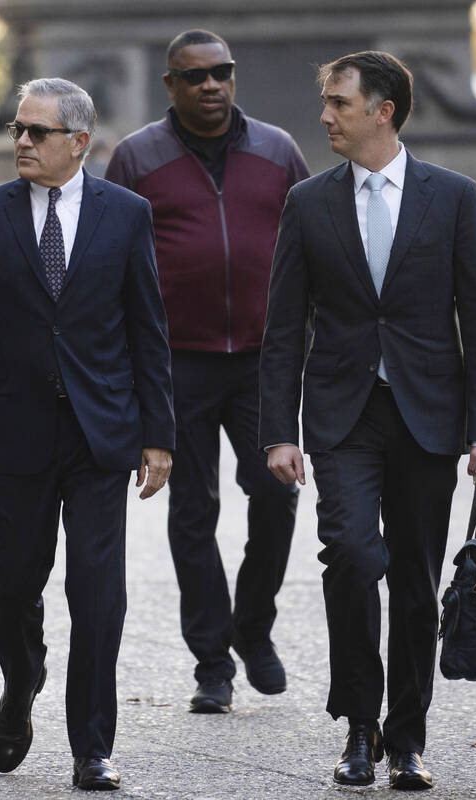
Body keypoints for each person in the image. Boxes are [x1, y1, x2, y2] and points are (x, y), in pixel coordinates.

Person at [259, 51, 476, 790]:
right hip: (343, 414)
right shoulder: (308, 203)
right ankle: (358, 727)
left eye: (339, 103)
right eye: (326, 101)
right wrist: (278, 429)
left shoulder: (453, 195)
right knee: (356, 557)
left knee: (415, 581)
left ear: (384, 111)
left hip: (430, 416)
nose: (326, 116)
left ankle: (407, 740)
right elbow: (283, 327)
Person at [0, 78, 176, 792]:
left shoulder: (126, 215)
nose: (23, 143)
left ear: (79, 142)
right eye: (17, 131)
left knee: (98, 592)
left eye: (37, 132)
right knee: (10, 583)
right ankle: (23, 674)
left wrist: (158, 435)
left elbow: (147, 330)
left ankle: (91, 746)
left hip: (102, 435)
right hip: (16, 431)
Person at [105, 28, 309, 714]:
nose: (211, 86)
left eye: (222, 72)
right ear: (172, 86)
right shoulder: (138, 157)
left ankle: (252, 624)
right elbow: (112, 265)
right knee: (193, 513)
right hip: (175, 364)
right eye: (195, 77)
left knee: (277, 497)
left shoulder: (278, 150)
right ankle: (212, 664)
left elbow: (313, 243)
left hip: (261, 362)